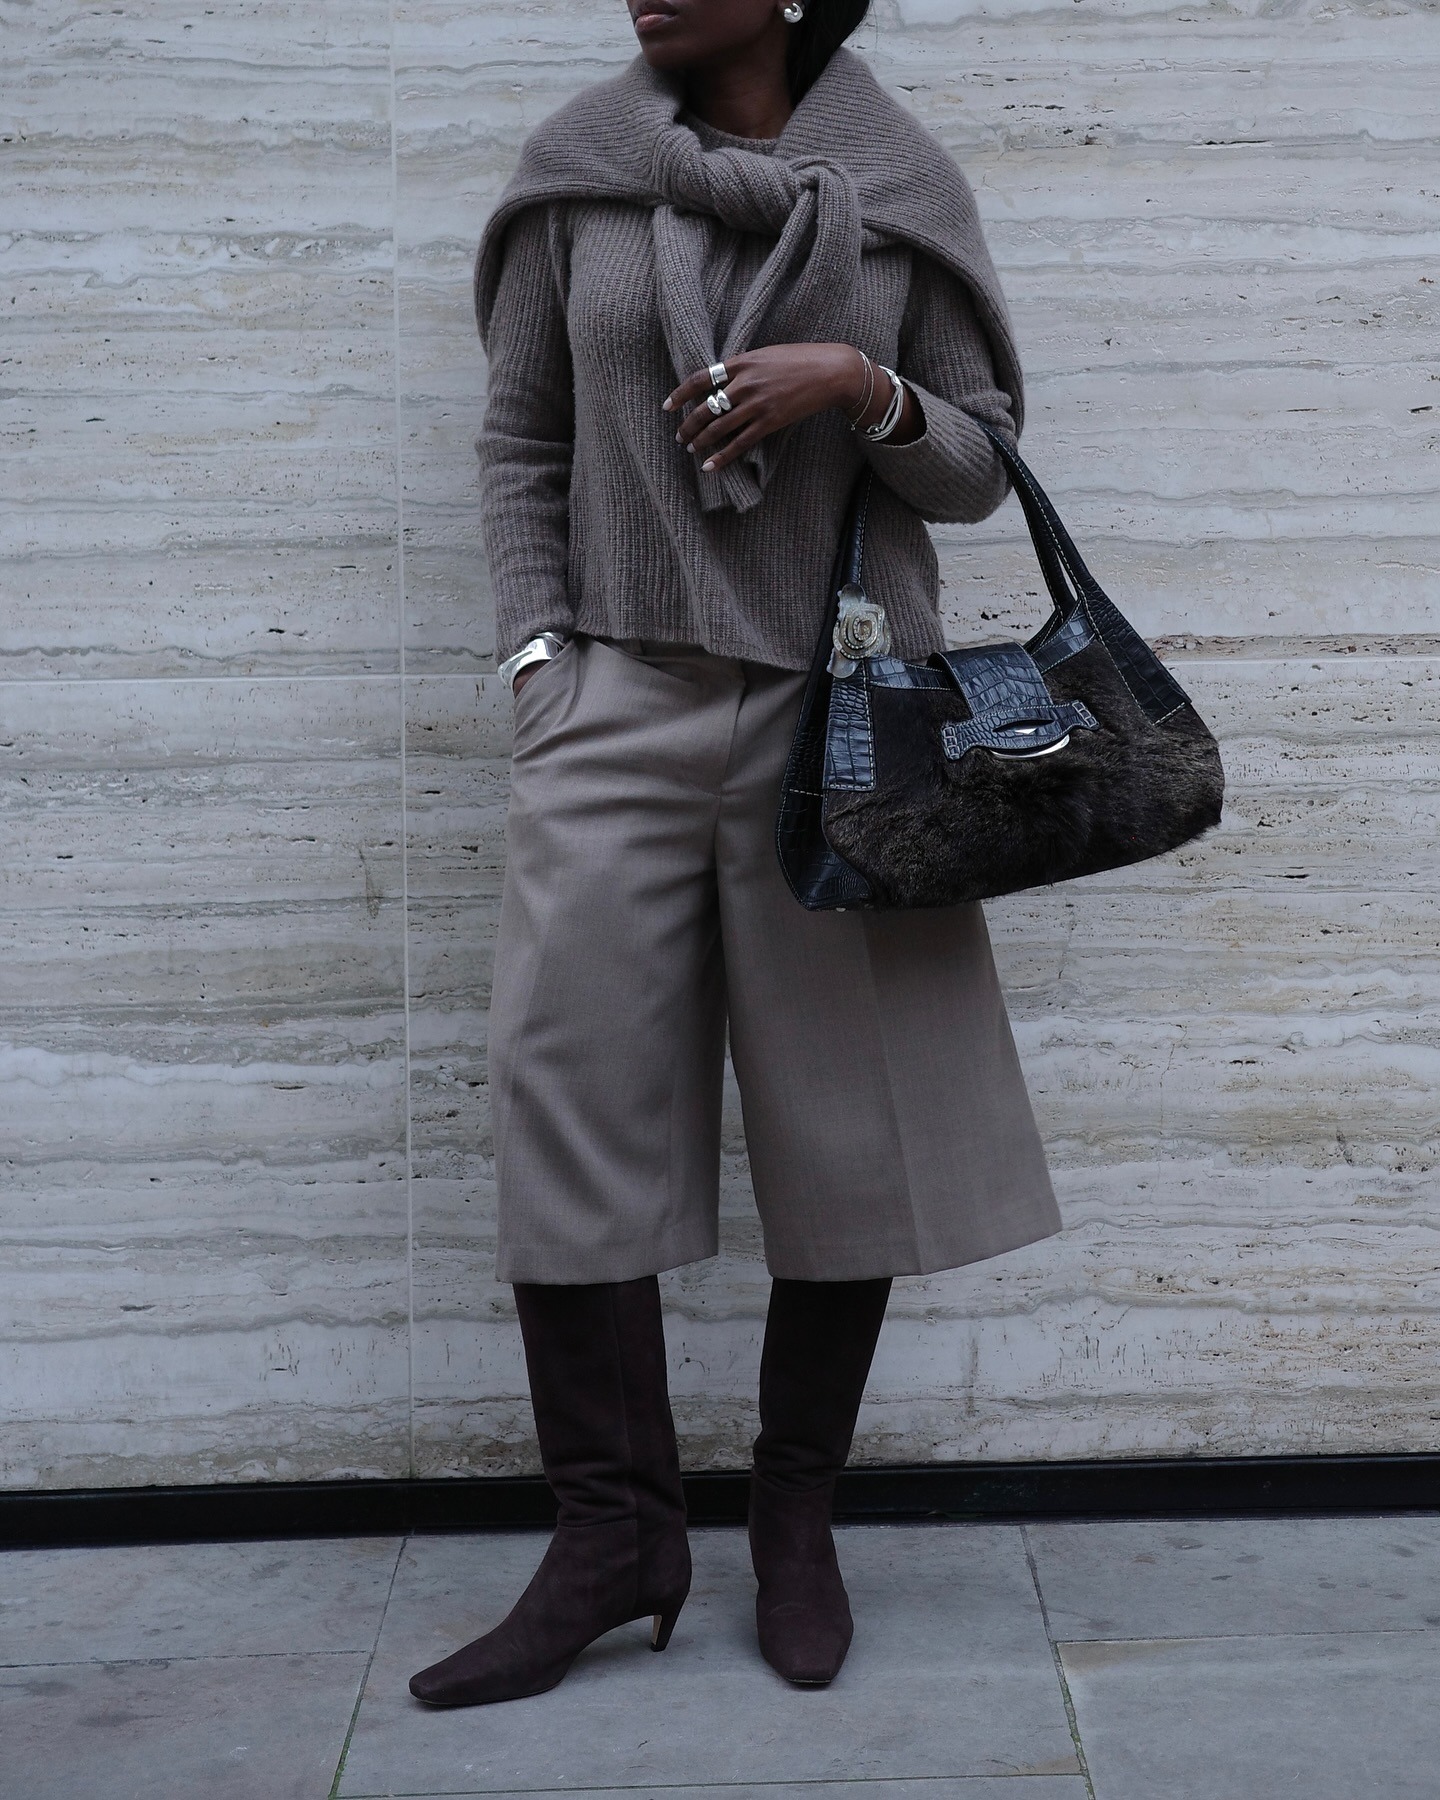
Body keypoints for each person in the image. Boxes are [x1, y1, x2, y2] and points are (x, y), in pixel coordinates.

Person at [409, 0, 1060, 1708]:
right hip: (617, 687)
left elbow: (985, 461)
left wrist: (863, 383)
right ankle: (611, 1535)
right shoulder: (581, 177)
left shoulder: (900, 187)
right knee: (566, 1089)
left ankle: (794, 1524)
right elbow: (522, 440)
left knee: (850, 1122)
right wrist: (546, 660)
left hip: (836, 706)